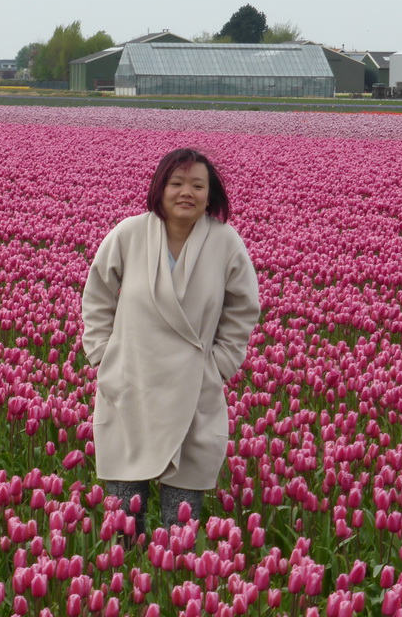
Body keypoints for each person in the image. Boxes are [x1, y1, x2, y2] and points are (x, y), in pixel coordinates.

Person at [81, 148, 260, 536]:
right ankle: (126, 590)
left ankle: (176, 590)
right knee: (126, 519)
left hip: (193, 390)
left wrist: (219, 366)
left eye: (198, 185)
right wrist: (102, 355)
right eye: (177, 183)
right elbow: (97, 293)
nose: (186, 193)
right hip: (131, 382)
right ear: (159, 189)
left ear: (210, 195)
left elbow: (243, 310)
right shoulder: (130, 233)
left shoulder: (225, 243)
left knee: (180, 523)